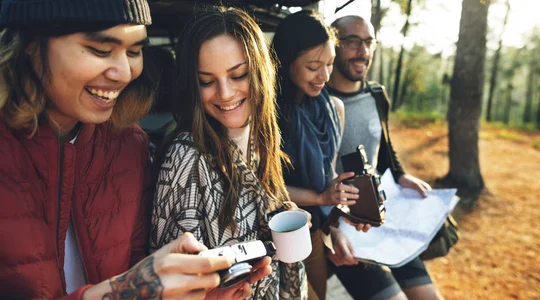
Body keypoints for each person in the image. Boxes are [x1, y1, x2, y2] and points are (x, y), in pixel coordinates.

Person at [0, 0, 257, 298]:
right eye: (100, 50)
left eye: (135, 51)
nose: (124, 73)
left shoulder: (128, 145)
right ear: (30, 43)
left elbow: (136, 270)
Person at [149, 6, 306, 300]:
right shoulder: (186, 159)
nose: (224, 93)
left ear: (261, 70)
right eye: (207, 81)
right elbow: (171, 284)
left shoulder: (261, 138)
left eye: (238, 75)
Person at [325, 15, 444, 300]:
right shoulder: (317, 101)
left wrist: (401, 175)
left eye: (368, 42)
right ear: (334, 45)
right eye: (352, 41)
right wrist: (329, 228)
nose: (363, 51)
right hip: (346, 229)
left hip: (383, 219)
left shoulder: (377, 95)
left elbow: (383, 149)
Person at [272, 10, 362, 300]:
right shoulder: (265, 115)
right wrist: (323, 197)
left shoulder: (334, 109)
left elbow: (329, 178)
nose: (325, 76)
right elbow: (265, 186)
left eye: (330, 64)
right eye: (313, 66)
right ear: (285, 62)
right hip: (270, 235)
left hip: (313, 231)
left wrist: (338, 214)